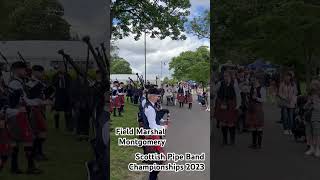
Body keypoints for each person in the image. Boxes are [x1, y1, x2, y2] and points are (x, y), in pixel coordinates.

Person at [6, 61, 42, 174]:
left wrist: (38, 101)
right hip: (17, 115)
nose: (25, 72)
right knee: (27, 140)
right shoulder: (15, 84)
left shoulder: (18, 82)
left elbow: (25, 99)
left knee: (17, 141)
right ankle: (28, 167)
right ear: (17, 70)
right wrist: (39, 102)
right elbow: (22, 101)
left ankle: (15, 167)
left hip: (18, 114)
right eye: (23, 70)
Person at [142, 87, 168, 180]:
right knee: (157, 162)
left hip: (152, 136)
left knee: (156, 161)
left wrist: (162, 121)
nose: (158, 98)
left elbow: (154, 119)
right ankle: (152, 178)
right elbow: (153, 126)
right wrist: (163, 127)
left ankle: (153, 177)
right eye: (157, 96)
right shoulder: (150, 108)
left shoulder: (150, 105)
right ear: (152, 96)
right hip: (152, 137)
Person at [26, 65, 50, 160]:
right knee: (37, 132)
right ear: (35, 72)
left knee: (42, 132)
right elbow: (31, 97)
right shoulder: (31, 83)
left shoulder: (39, 83)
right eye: (41, 72)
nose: (42, 74)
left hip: (40, 109)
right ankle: (35, 153)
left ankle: (39, 152)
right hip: (34, 109)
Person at [214, 71, 241, 145]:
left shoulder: (234, 84)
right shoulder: (220, 83)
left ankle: (232, 140)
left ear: (230, 76)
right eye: (224, 76)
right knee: (223, 123)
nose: (225, 77)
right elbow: (214, 91)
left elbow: (238, 95)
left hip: (231, 104)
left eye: (227, 76)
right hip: (222, 104)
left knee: (231, 123)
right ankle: (225, 140)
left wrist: (238, 105)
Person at [247, 79, 266, 149]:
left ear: (258, 81)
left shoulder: (262, 89)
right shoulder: (251, 88)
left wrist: (257, 98)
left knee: (259, 126)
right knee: (253, 126)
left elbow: (264, 99)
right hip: (252, 108)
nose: (253, 82)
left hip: (258, 108)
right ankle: (254, 144)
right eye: (253, 81)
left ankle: (259, 144)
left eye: (255, 80)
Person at [52, 65, 72, 131]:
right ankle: (56, 125)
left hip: (66, 95)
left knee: (68, 111)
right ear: (59, 69)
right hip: (58, 95)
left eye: (63, 68)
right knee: (57, 111)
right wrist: (58, 78)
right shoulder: (55, 76)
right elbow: (53, 84)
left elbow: (70, 84)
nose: (62, 69)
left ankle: (68, 126)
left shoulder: (68, 75)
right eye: (61, 68)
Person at [304, 79, 320, 157]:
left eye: (315, 85)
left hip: (316, 116)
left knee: (316, 133)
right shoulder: (309, 95)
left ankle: (317, 148)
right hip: (308, 116)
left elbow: (317, 107)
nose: (313, 87)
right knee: (308, 132)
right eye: (312, 85)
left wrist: (314, 105)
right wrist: (309, 103)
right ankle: (311, 148)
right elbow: (305, 107)